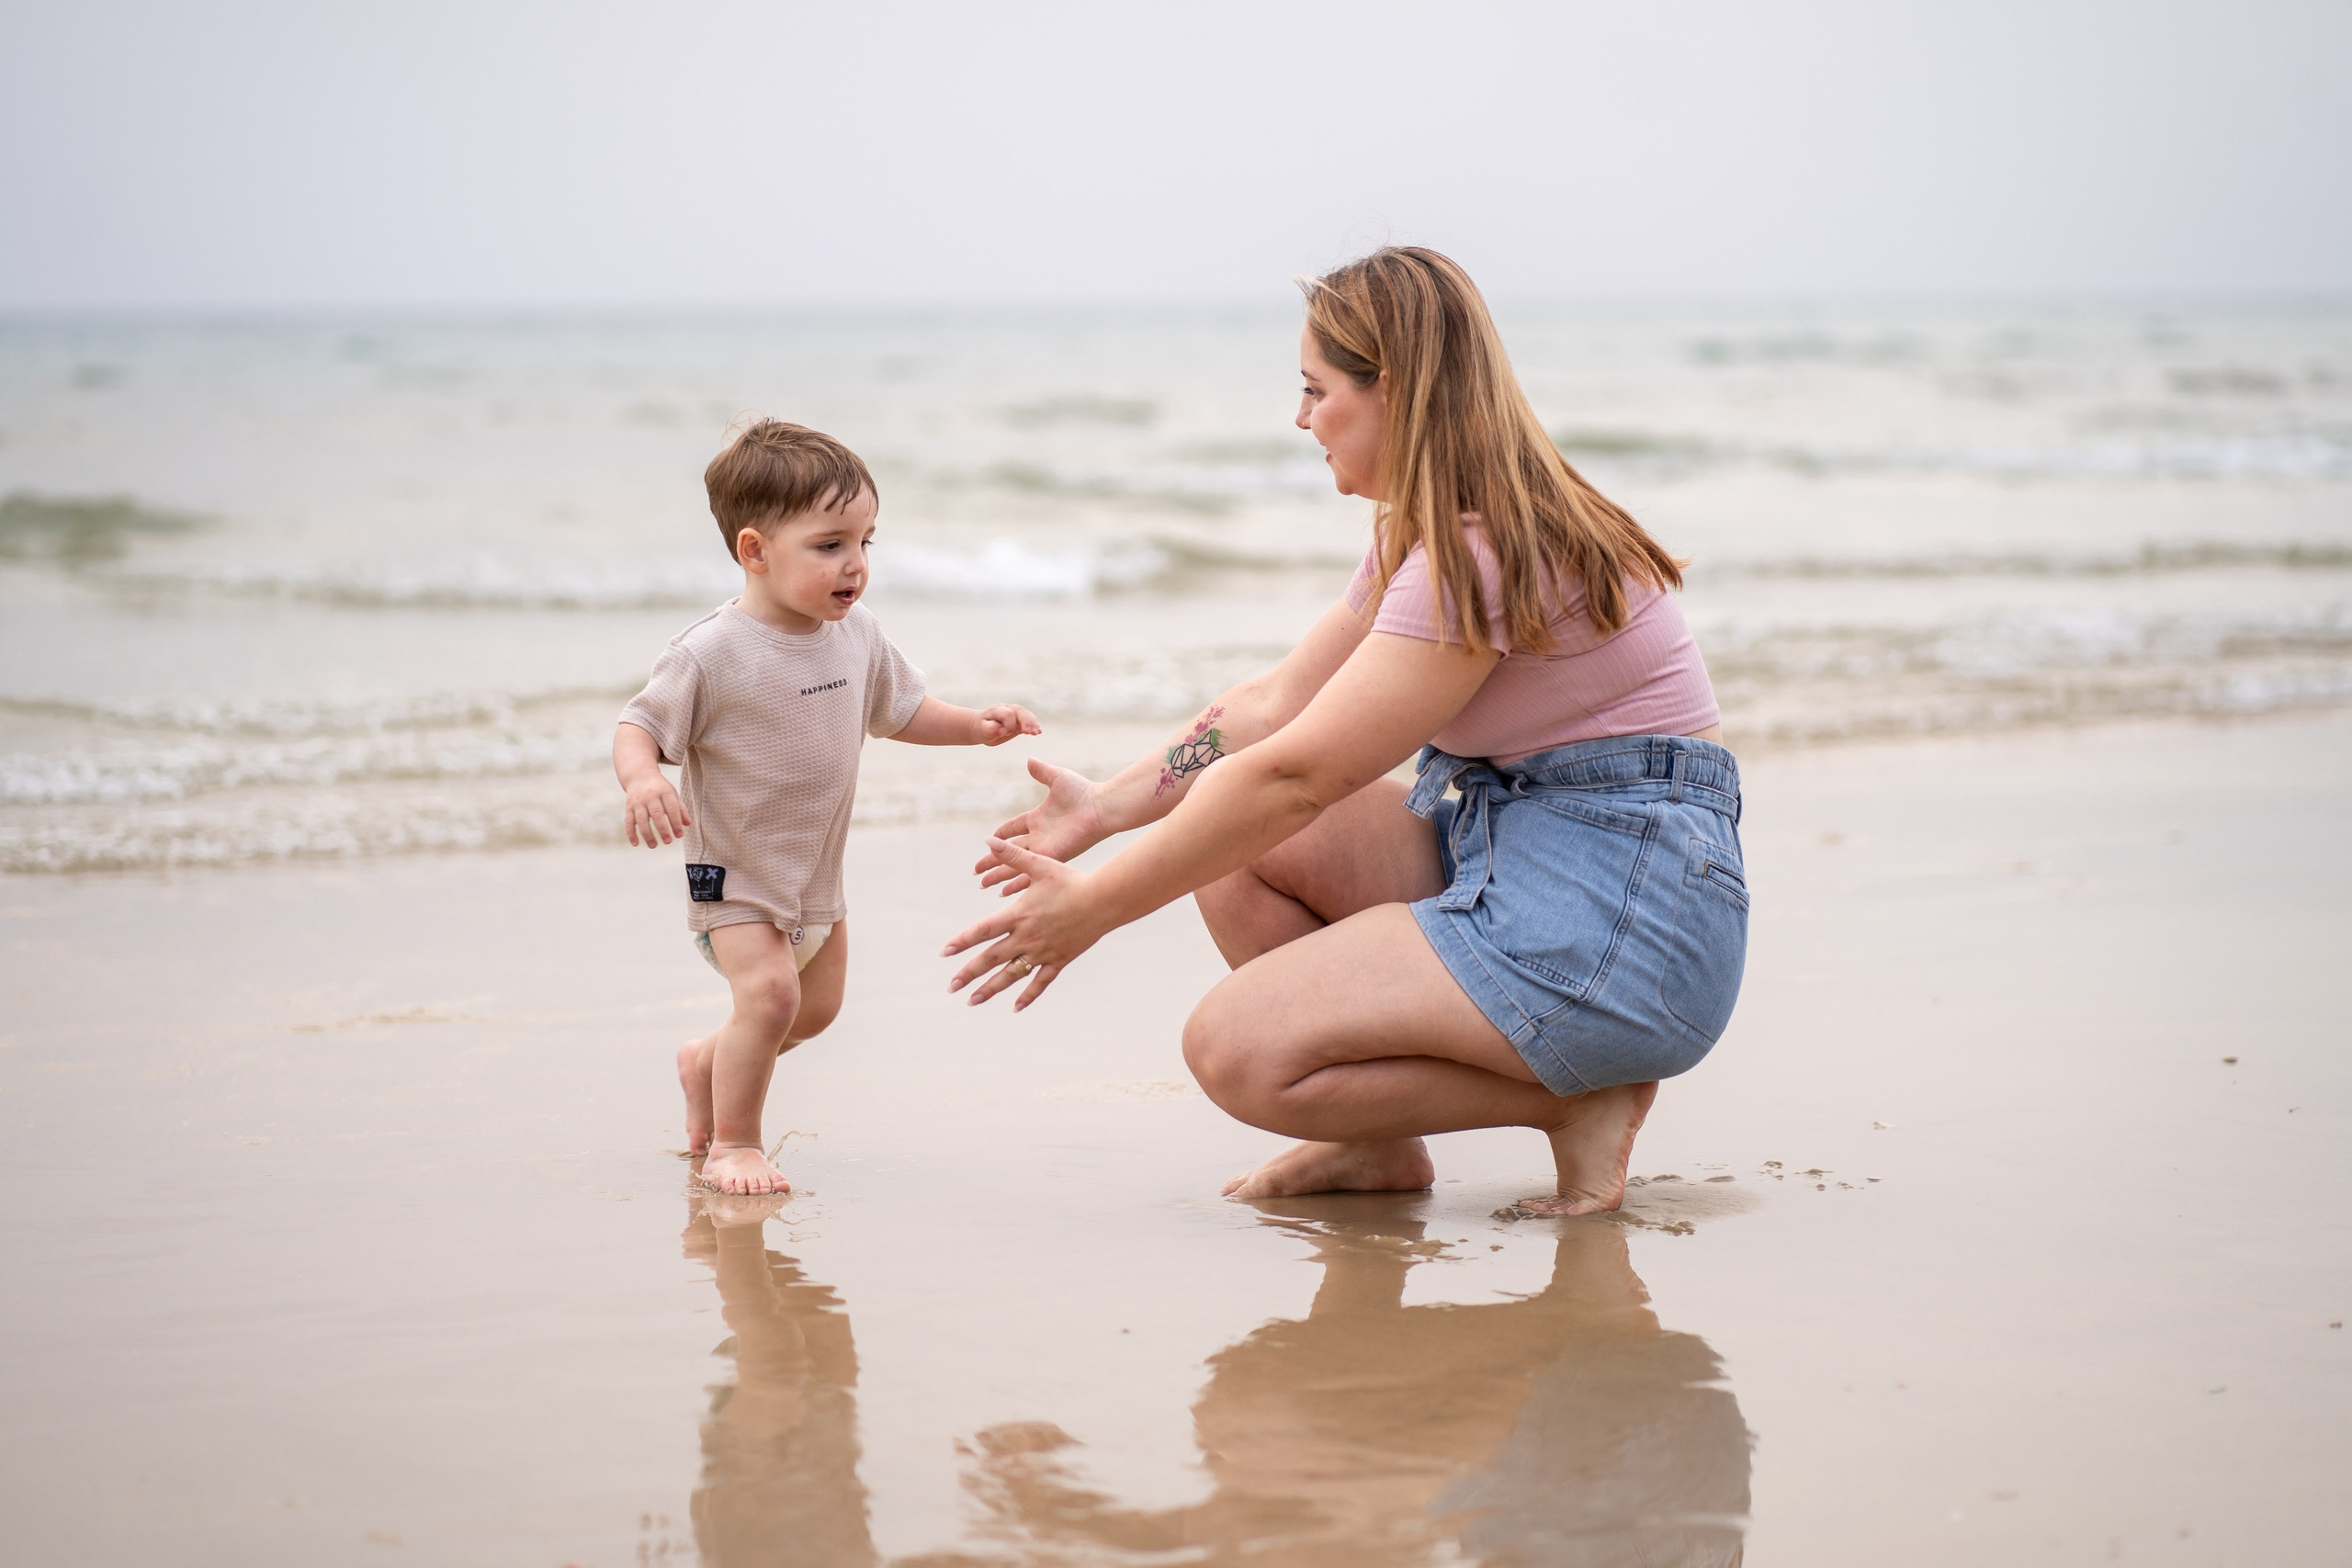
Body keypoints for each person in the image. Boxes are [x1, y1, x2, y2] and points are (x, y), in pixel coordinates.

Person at [946, 248, 1747, 1215]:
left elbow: (1299, 775)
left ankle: (1575, 1103)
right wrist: (1109, 806)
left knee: (1235, 1050)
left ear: (1393, 392)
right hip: (1543, 868)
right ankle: (1375, 1148)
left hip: (1627, 930)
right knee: (1234, 844)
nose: (1301, 419)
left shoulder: (1483, 552)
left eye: (1315, 389)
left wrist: (1095, 906)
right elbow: (1273, 707)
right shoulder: (1435, 535)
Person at [618, 420, 1040, 1196]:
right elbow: (638, 725)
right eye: (829, 544)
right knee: (771, 997)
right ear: (755, 551)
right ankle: (733, 1144)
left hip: (815, 878)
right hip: (733, 875)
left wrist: (974, 726)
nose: (855, 564)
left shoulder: (857, 634)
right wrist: (644, 779)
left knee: (813, 1012)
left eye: (865, 541)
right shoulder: (710, 652)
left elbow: (902, 710)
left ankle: (706, 1060)